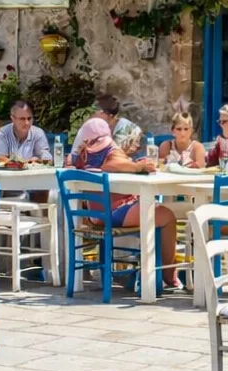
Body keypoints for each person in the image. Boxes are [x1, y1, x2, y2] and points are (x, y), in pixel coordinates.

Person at [68, 113, 182, 289]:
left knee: (155, 212)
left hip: (96, 215)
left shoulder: (82, 155)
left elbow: (108, 163)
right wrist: (139, 166)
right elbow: (112, 163)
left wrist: (135, 164)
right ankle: (168, 274)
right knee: (166, 216)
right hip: (113, 212)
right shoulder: (107, 148)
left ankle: (150, 272)